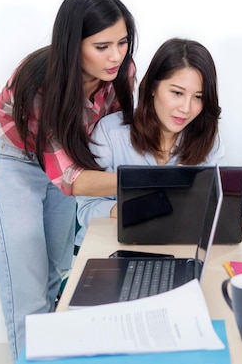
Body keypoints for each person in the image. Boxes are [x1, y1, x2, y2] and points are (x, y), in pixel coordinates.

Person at [0, 0, 137, 361]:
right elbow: (71, 181)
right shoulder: (41, 85)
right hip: (13, 161)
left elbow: (118, 133)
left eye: (123, 42)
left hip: (69, 159)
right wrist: (139, 180)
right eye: (102, 46)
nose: (116, 56)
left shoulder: (122, 72)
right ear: (73, 44)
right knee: (27, 293)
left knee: (56, 274)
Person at [76, 38, 225, 232]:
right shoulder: (110, 132)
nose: (186, 108)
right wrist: (142, 210)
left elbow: (217, 206)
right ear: (153, 87)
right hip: (114, 245)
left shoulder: (207, 139)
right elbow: (87, 210)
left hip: (180, 245)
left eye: (198, 97)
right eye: (177, 93)